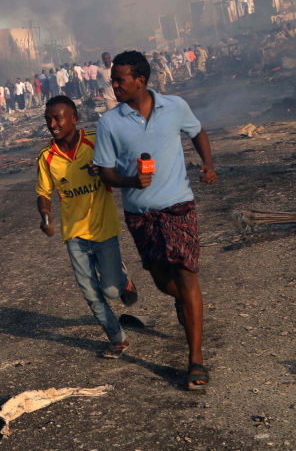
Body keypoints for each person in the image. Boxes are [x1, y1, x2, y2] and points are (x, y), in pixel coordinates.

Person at [93, 50, 217, 390]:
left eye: (120, 80)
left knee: (187, 275)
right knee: (164, 282)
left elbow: (197, 132)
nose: (114, 85)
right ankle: (183, 302)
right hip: (140, 215)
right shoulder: (109, 123)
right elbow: (105, 171)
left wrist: (208, 164)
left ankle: (196, 360)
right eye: (113, 80)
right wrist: (131, 181)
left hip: (178, 206)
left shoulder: (174, 106)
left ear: (141, 81)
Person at [36, 95, 138, 357]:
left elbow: (122, 164)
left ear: (74, 118)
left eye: (57, 118)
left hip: (104, 229)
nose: (52, 125)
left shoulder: (95, 141)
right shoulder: (47, 157)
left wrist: (103, 169)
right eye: (48, 119)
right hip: (74, 235)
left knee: (110, 290)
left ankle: (122, 279)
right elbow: (44, 192)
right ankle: (117, 338)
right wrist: (45, 215)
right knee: (90, 293)